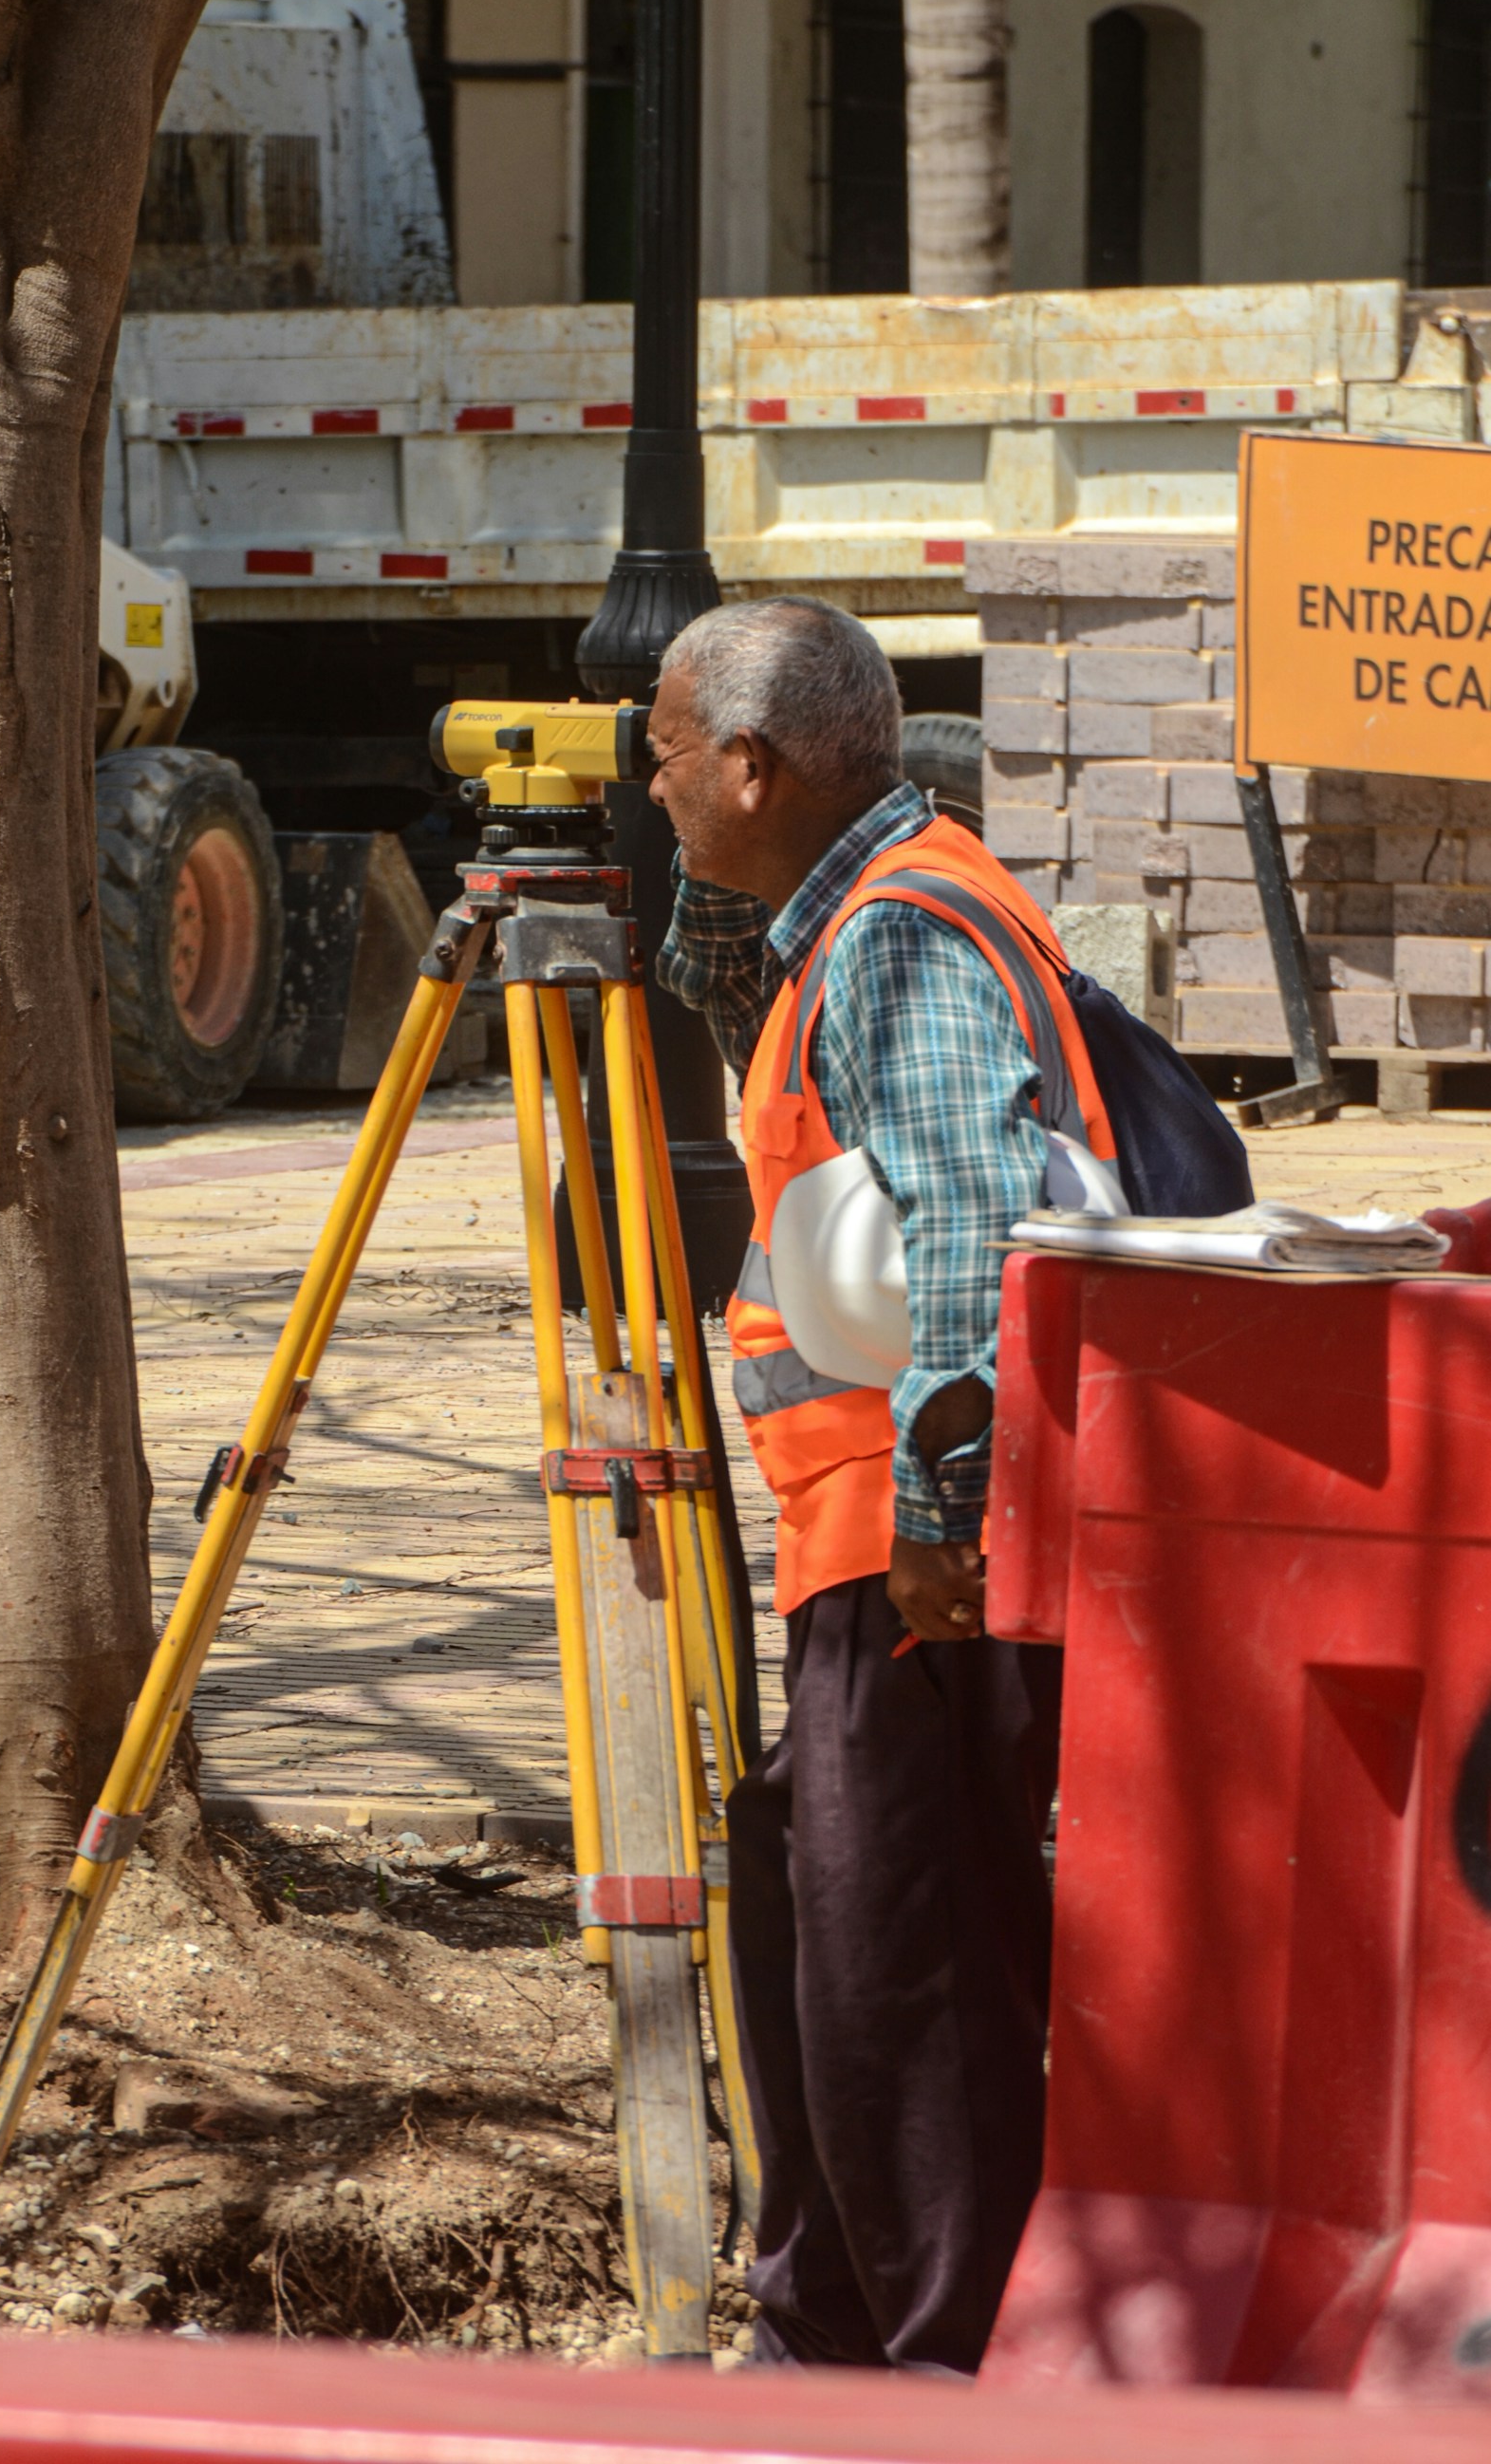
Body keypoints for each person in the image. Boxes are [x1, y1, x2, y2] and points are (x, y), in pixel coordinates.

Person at [647, 595, 1112, 2376]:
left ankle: (934, 2372)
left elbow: (970, 1233)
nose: (655, 785)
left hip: (912, 1556)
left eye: (674, 757)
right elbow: (718, 980)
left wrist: (940, 1515)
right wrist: (710, 853)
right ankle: (830, 2323)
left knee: (903, 1981)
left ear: (757, 765)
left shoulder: (902, 942)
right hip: (878, 1544)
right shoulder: (856, 908)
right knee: (826, 1940)